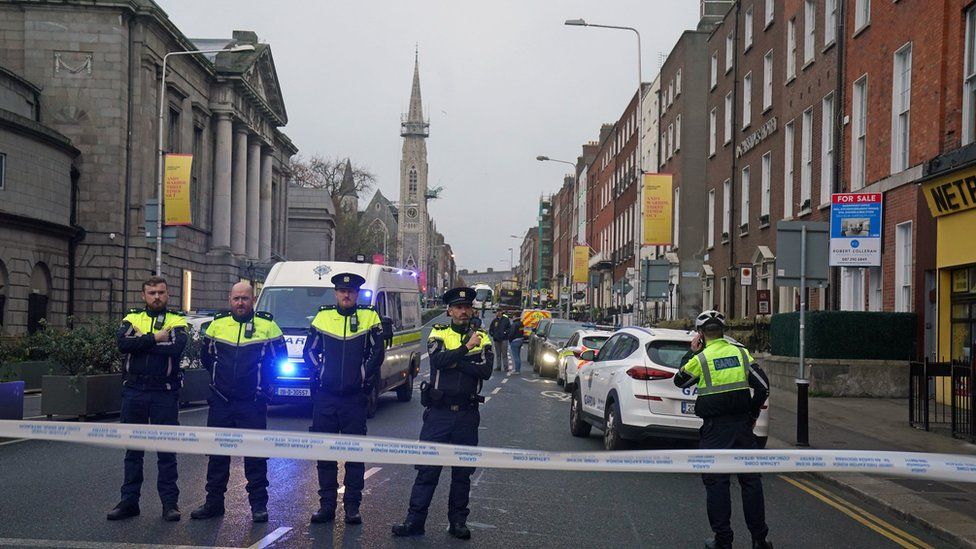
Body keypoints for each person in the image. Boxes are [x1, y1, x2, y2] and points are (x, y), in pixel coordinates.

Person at [392, 287, 493, 540]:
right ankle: (415, 520)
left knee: (462, 473)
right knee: (427, 470)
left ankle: (458, 522)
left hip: (467, 416)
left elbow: (486, 371)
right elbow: (437, 361)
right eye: (458, 308)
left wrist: (456, 361)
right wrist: (467, 350)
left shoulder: (483, 336)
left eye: (466, 307)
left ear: (471, 310)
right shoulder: (439, 333)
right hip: (438, 414)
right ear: (449, 311)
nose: (462, 311)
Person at [673, 310, 772, 549]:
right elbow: (763, 387)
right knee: (750, 481)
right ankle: (759, 540)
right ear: (724, 332)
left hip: (715, 430)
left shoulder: (701, 358)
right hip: (742, 427)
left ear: (700, 334)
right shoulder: (740, 353)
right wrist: (752, 414)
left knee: (717, 483)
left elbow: (680, 380)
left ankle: (723, 540)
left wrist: (693, 351)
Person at [191, 282, 287, 523]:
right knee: (217, 456)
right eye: (236, 298)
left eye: (245, 298)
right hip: (221, 402)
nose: (240, 302)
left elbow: (280, 360)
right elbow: (207, 356)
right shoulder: (217, 325)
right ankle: (213, 503)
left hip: (251, 403)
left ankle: (258, 506)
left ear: (253, 300)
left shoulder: (268, 326)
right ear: (229, 299)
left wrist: (263, 390)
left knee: (255, 456)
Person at [303, 272, 385, 525]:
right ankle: (326, 506)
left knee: (354, 454)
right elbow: (309, 351)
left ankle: (352, 507)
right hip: (326, 398)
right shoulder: (323, 316)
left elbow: (377, 352)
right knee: (325, 454)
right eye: (341, 291)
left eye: (350, 291)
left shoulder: (369, 317)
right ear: (336, 293)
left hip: (353, 399)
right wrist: (321, 372)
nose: (346, 294)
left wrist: (361, 375)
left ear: (357, 294)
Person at [107, 276, 188, 522]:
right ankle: (129, 502)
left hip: (164, 392)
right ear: (143, 295)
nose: (156, 297)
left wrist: (140, 342)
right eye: (151, 293)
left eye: (161, 292)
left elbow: (175, 349)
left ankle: (169, 504)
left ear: (167, 294)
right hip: (135, 392)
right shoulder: (132, 318)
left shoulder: (177, 320)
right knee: (133, 451)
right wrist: (155, 338)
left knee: (166, 451)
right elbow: (122, 344)